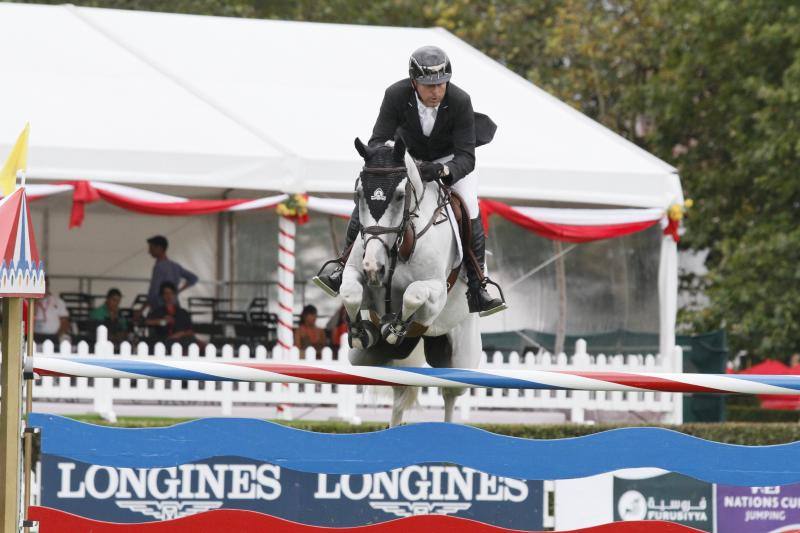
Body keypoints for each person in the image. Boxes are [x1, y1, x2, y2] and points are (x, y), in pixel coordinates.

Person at [313, 45, 506, 316]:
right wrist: (402, 162)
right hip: (409, 159)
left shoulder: (461, 100)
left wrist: (441, 171)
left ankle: (478, 286)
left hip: (450, 162)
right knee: (373, 195)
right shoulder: (395, 94)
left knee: (470, 206)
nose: (436, 91)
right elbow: (378, 140)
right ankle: (343, 265)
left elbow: (466, 157)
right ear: (414, 82)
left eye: (441, 84)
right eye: (429, 86)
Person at [146, 235, 198, 309]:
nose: (149, 251)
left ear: (159, 248)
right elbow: (194, 278)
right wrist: (178, 291)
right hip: (174, 305)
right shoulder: (176, 266)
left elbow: (154, 292)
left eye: (151, 248)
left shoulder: (159, 267)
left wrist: (142, 309)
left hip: (160, 306)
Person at [145, 281, 196, 346]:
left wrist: (181, 334)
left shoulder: (183, 312)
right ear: (162, 296)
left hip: (183, 341)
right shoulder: (158, 311)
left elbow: (191, 331)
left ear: (175, 295)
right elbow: (146, 322)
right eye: (166, 293)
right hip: (164, 342)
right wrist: (161, 321)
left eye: (171, 293)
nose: (168, 296)